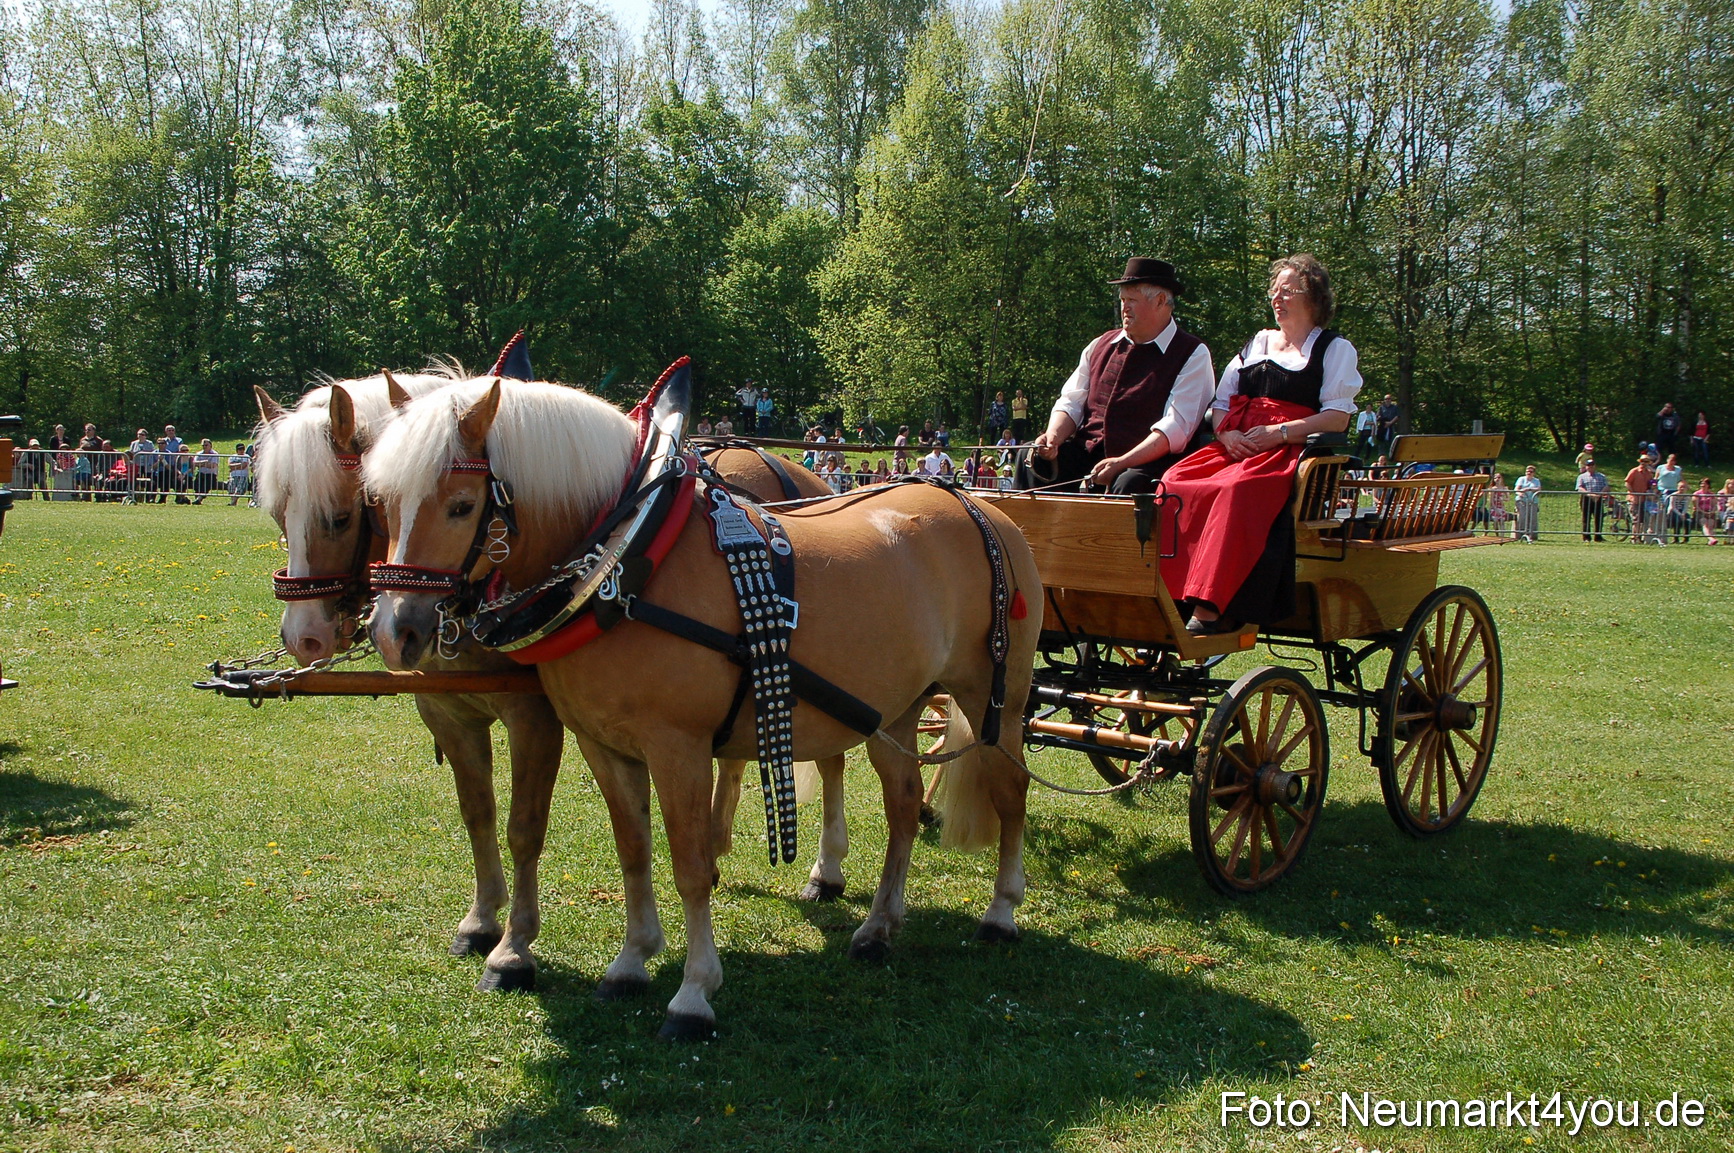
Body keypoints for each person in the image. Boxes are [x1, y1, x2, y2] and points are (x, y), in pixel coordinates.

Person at [1159, 254, 1361, 633]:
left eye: (1288, 290)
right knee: (1175, 481)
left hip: (1287, 450)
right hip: (1238, 442)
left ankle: (1210, 605)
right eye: (1274, 290)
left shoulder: (1334, 349)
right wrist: (1226, 434)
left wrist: (1280, 432)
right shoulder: (1257, 343)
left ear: (1314, 296)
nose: (1276, 297)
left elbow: (1337, 417)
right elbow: (1220, 403)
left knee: (1236, 490)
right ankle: (1169, 595)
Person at [1031, 257, 1214, 494]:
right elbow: (1071, 402)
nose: (1124, 308)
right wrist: (1053, 436)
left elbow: (1175, 429)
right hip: (1089, 455)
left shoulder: (1192, 354)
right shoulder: (1100, 345)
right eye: (1122, 300)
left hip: (1147, 464)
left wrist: (1122, 462)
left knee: (1129, 483)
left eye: (1132, 301)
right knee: (1033, 458)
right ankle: (1025, 531)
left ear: (1160, 301)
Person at [1624, 456, 1656, 542]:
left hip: (1644, 500)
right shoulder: (1634, 471)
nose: (1643, 463)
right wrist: (1634, 493)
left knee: (1641, 520)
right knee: (1636, 519)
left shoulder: (1648, 473)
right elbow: (1627, 483)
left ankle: (1638, 537)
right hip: (1633, 499)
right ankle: (1633, 537)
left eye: (1646, 461)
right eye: (1642, 461)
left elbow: (1651, 484)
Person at [1576, 460, 1609, 540]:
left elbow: (1606, 486)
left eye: (1592, 465)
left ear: (1595, 466)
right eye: (1588, 465)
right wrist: (1590, 494)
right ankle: (1586, 537)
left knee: (1599, 518)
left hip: (1598, 498)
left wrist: (1599, 495)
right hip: (1586, 499)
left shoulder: (1601, 476)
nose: (1590, 467)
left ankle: (1598, 536)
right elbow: (1579, 487)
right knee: (1586, 518)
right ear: (1586, 467)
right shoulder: (1582, 477)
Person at [1514, 464, 1542, 541]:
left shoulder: (1536, 481)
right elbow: (1517, 489)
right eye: (1527, 471)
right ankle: (1521, 534)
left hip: (1533, 501)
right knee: (1523, 517)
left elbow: (1538, 489)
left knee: (1533, 518)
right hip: (1522, 501)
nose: (1528, 473)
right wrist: (1521, 493)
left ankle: (1533, 535)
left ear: (1534, 473)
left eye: (1530, 471)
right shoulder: (1521, 479)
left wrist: (1528, 489)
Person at [1485, 472, 1512, 537]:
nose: (1497, 479)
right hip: (1494, 507)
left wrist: (1503, 499)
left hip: (1501, 506)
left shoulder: (1504, 488)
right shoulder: (1493, 489)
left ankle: (1502, 536)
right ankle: (1497, 535)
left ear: (1501, 479)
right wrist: (1495, 509)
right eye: (1495, 478)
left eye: (1499, 477)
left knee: (1502, 521)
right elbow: (1491, 500)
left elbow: (1508, 498)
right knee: (1495, 520)